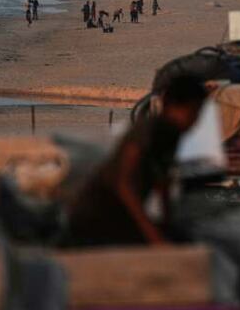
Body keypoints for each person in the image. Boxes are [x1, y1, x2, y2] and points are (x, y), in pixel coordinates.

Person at [63, 70, 208, 246]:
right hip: (98, 216)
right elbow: (123, 184)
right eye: (193, 113)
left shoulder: (173, 135)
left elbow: (162, 182)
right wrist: (153, 235)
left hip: (122, 217)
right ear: (172, 106)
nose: (196, 121)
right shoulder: (150, 129)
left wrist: (168, 224)